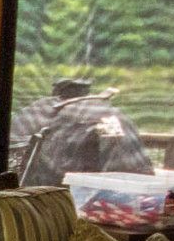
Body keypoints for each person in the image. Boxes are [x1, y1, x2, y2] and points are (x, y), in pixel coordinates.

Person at [9, 77, 154, 186]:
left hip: (34, 196)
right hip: (90, 198)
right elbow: (135, 172)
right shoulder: (108, 114)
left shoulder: (33, 111)